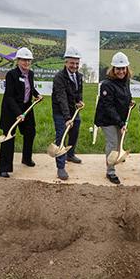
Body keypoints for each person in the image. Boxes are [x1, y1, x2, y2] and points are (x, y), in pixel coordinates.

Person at [0, 47, 42, 178]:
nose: (26, 63)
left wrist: (37, 94)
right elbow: (9, 96)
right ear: (18, 61)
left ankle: (26, 158)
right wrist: (18, 112)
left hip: (26, 108)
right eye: (23, 60)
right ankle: (3, 169)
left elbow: (30, 88)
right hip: (11, 110)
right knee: (8, 136)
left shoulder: (31, 74)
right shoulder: (11, 74)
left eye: (28, 60)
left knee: (30, 132)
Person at [94, 52, 133, 185]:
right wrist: (120, 123)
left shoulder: (126, 81)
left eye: (123, 68)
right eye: (118, 68)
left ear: (127, 69)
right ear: (113, 69)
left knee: (118, 141)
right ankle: (110, 171)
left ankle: (117, 156)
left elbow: (126, 95)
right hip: (106, 119)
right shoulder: (107, 84)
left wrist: (130, 102)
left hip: (119, 118)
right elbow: (108, 107)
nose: (121, 71)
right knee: (112, 143)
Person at [51, 46, 84, 181]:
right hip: (61, 112)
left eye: (77, 63)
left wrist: (79, 101)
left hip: (73, 110)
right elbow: (62, 98)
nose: (74, 66)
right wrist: (67, 118)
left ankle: (70, 154)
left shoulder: (79, 76)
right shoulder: (59, 77)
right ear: (66, 62)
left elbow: (78, 92)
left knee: (75, 129)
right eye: (72, 63)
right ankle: (60, 166)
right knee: (61, 136)